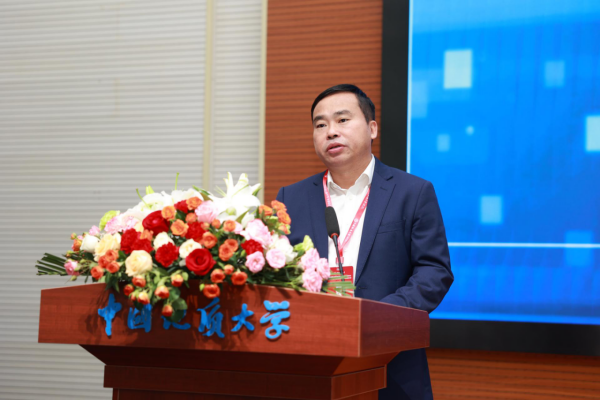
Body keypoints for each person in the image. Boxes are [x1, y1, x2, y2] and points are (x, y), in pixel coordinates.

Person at [276, 84, 453, 400]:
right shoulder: (292, 197)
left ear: (372, 128)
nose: (331, 131)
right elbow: (278, 274)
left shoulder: (413, 192)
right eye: (320, 124)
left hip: (391, 364)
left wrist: (379, 317)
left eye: (342, 120)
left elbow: (434, 271)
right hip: (310, 365)